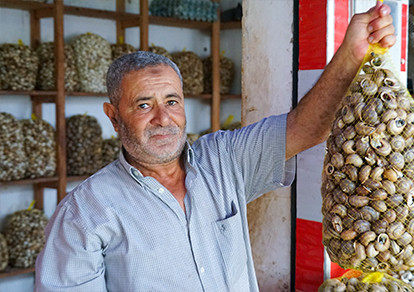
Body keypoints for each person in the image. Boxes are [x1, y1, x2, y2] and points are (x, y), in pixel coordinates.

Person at [35, 2, 395, 291]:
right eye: (144, 105)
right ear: (114, 117)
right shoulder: (83, 215)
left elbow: (306, 127)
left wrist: (352, 53)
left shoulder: (224, 160)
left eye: (172, 101)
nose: (163, 118)